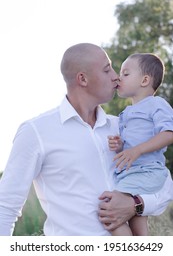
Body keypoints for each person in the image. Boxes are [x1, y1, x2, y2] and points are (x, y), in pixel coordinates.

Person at [0, 44, 173, 236]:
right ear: (83, 79)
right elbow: (5, 207)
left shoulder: (122, 128)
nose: (116, 76)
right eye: (107, 69)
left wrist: (136, 205)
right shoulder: (36, 132)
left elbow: (164, 184)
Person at [108, 53, 173, 236]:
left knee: (113, 209)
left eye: (126, 74)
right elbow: (131, 145)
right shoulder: (126, 112)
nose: (119, 78)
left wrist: (137, 150)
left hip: (147, 171)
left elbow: (169, 133)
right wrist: (120, 145)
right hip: (131, 172)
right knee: (136, 220)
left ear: (144, 80)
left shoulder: (156, 104)